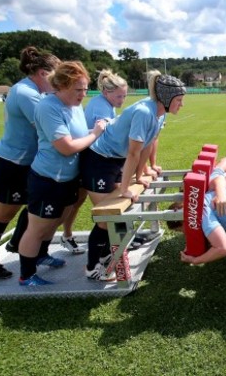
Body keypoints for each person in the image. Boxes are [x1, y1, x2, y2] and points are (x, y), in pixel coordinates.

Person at [81, 71, 186, 281]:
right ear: (166, 99)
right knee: (106, 218)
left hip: (115, 159)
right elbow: (133, 152)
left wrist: (140, 177)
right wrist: (127, 187)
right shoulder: (144, 112)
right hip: (98, 159)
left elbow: (146, 146)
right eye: (179, 100)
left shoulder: (159, 113)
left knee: (114, 216)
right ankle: (92, 267)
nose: (181, 105)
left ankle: (104, 255)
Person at [17, 61, 106, 286]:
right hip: (48, 179)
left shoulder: (74, 106)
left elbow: (76, 135)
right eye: (79, 89)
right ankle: (26, 275)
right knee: (37, 228)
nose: (83, 94)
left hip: (67, 178)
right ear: (62, 86)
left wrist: (99, 131)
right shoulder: (49, 107)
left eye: (85, 89)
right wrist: (95, 134)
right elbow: (66, 147)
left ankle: (41, 255)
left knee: (54, 222)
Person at [0, 46, 60, 279]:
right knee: (4, 212)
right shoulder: (26, 93)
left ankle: (20, 245)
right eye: (57, 76)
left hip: (28, 163)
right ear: (44, 74)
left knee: (36, 207)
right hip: (10, 163)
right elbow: (49, 129)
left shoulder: (36, 91)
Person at [60, 69, 129, 254]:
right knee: (99, 209)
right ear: (106, 93)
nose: (122, 100)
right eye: (119, 96)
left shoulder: (106, 103)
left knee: (79, 200)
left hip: (91, 156)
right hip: (90, 158)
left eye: (124, 96)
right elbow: (100, 135)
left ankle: (68, 236)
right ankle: (72, 239)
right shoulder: (100, 106)